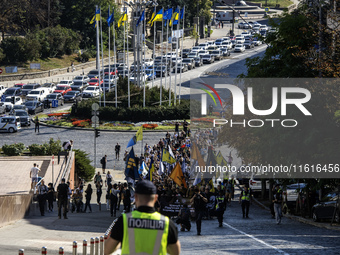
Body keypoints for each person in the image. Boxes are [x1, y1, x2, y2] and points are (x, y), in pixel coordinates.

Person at [104, 180, 181, 255]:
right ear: (155, 198)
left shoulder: (124, 220)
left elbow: (107, 250)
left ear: (136, 197)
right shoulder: (166, 222)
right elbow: (175, 252)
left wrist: (120, 241)